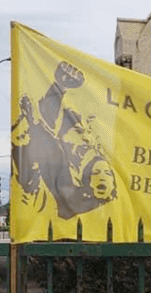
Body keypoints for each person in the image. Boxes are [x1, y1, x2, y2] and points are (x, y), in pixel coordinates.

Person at [12, 61, 117, 219]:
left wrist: (31, 128)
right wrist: (60, 86)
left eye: (102, 173)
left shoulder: (69, 183)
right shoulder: (90, 145)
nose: (101, 175)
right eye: (100, 172)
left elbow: (51, 148)